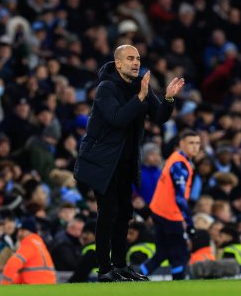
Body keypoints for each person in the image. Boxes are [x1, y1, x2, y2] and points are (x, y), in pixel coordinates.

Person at [74, 44, 184, 282]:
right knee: (108, 213)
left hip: (125, 161)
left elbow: (159, 117)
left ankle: (121, 266)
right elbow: (117, 119)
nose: (136, 62)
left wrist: (167, 98)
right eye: (130, 58)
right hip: (102, 162)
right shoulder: (105, 88)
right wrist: (141, 97)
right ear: (118, 63)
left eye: (138, 58)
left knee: (124, 214)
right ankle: (104, 270)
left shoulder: (138, 85)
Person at [139, 130, 201, 280]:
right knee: (180, 254)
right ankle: (179, 285)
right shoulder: (180, 164)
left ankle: (137, 275)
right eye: (191, 143)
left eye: (197, 143)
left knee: (162, 253)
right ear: (181, 144)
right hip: (169, 215)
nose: (195, 147)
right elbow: (180, 197)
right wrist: (189, 223)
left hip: (159, 211)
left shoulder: (176, 158)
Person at [0, 217, 56, 285]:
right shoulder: (40, 244)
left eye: (22, 230)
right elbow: (25, 274)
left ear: (27, 231)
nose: (19, 233)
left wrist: (4, 284)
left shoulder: (29, 243)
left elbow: (12, 265)